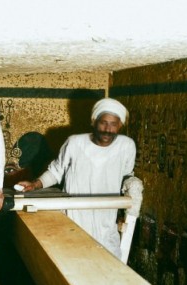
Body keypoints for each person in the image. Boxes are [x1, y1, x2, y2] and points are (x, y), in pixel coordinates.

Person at [16, 97, 136, 259]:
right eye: (103, 123)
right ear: (94, 121)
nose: (107, 129)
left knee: (108, 264)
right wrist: (34, 185)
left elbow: (126, 176)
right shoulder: (75, 143)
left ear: (120, 125)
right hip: (74, 220)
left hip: (105, 223)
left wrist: (134, 188)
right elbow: (56, 171)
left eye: (113, 124)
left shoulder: (126, 146)